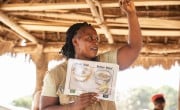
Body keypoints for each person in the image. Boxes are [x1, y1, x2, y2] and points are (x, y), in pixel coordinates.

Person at [39, 0, 142, 110]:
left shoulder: (105, 62)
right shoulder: (56, 74)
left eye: (96, 39)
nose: (95, 42)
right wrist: (73, 106)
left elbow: (134, 48)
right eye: (89, 38)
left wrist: (131, 14)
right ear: (75, 42)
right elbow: (45, 108)